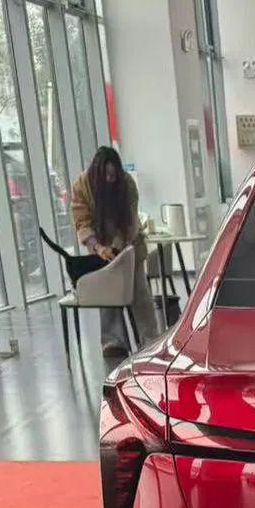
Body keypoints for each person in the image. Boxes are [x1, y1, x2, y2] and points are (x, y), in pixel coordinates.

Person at [70, 147, 159, 356]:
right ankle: (113, 342)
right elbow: (81, 222)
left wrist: (119, 246)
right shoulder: (82, 186)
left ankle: (151, 339)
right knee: (108, 294)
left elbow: (130, 221)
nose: (110, 179)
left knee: (139, 292)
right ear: (97, 174)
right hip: (101, 248)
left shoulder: (127, 184)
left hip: (130, 247)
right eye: (107, 175)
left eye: (113, 175)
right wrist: (98, 247)